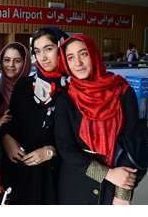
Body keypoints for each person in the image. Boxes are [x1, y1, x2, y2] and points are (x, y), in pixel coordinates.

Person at [55, 33, 147, 205]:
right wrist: (106, 173)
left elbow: (134, 142)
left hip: (114, 186)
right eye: (70, 57)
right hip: (76, 185)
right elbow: (66, 149)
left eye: (83, 54)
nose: (78, 63)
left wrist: (123, 195)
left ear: (94, 54)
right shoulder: (66, 99)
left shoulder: (122, 91)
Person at [1, 27, 69, 204]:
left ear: (61, 48)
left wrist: (50, 151)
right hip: (21, 169)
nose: (43, 57)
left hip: (53, 174)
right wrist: (6, 138)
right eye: (38, 51)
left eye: (49, 49)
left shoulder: (72, 90)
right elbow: (11, 120)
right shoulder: (24, 85)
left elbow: (76, 141)